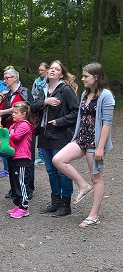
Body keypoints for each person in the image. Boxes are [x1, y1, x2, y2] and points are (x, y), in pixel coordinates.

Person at [53, 62, 114, 228]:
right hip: (80, 139)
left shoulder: (106, 95)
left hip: (95, 142)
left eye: (86, 76)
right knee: (58, 159)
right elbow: (81, 118)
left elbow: (107, 123)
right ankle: (82, 185)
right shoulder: (85, 94)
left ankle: (93, 216)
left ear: (96, 77)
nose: (82, 79)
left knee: (96, 177)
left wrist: (100, 148)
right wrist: (75, 137)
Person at [30, 60, 79, 217]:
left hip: (60, 135)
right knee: (51, 171)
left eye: (56, 69)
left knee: (62, 171)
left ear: (61, 74)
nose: (52, 70)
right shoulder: (42, 88)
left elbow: (76, 112)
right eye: (51, 68)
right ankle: (55, 202)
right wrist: (45, 101)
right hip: (44, 134)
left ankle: (66, 204)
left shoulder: (65, 90)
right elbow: (32, 106)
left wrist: (59, 122)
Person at [0, 68, 35, 199]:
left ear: (15, 78)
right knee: (11, 160)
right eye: (4, 78)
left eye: (7, 77)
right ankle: (14, 188)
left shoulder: (24, 92)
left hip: (24, 132)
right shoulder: (7, 95)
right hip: (10, 131)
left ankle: (27, 189)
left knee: (25, 160)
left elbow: (26, 106)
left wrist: (3, 112)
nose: (4, 80)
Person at [6, 101, 33, 219]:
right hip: (14, 157)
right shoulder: (16, 124)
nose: (13, 114)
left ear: (23, 114)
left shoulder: (25, 125)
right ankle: (18, 204)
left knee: (22, 183)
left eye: (16, 113)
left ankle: (24, 207)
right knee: (15, 182)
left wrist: (10, 133)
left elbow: (15, 136)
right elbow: (8, 132)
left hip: (22, 158)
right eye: (13, 112)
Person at [31, 62, 50, 165]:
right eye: (39, 70)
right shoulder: (36, 81)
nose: (41, 72)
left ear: (47, 70)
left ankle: (46, 155)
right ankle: (40, 156)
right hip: (38, 107)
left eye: (43, 70)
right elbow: (33, 93)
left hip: (47, 107)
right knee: (38, 130)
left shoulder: (49, 81)